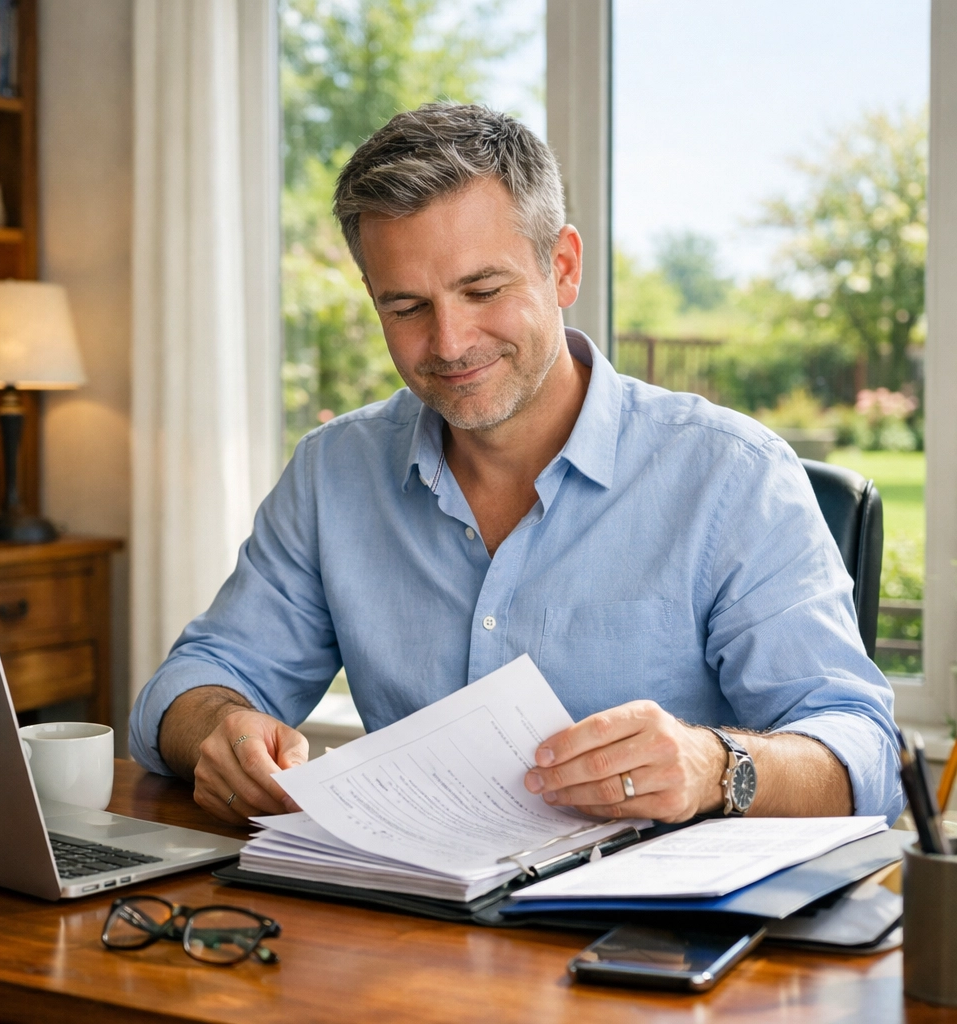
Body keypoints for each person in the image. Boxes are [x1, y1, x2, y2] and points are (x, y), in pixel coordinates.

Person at [129, 103, 902, 828]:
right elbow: (191, 683)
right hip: (402, 912)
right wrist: (221, 732)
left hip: (646, 920)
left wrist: (716, 766)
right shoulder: (334, 473)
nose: (450, 342)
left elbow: (865, 756)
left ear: (562, 267)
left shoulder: (732, 476)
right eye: (406, 307)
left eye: (482, 289)